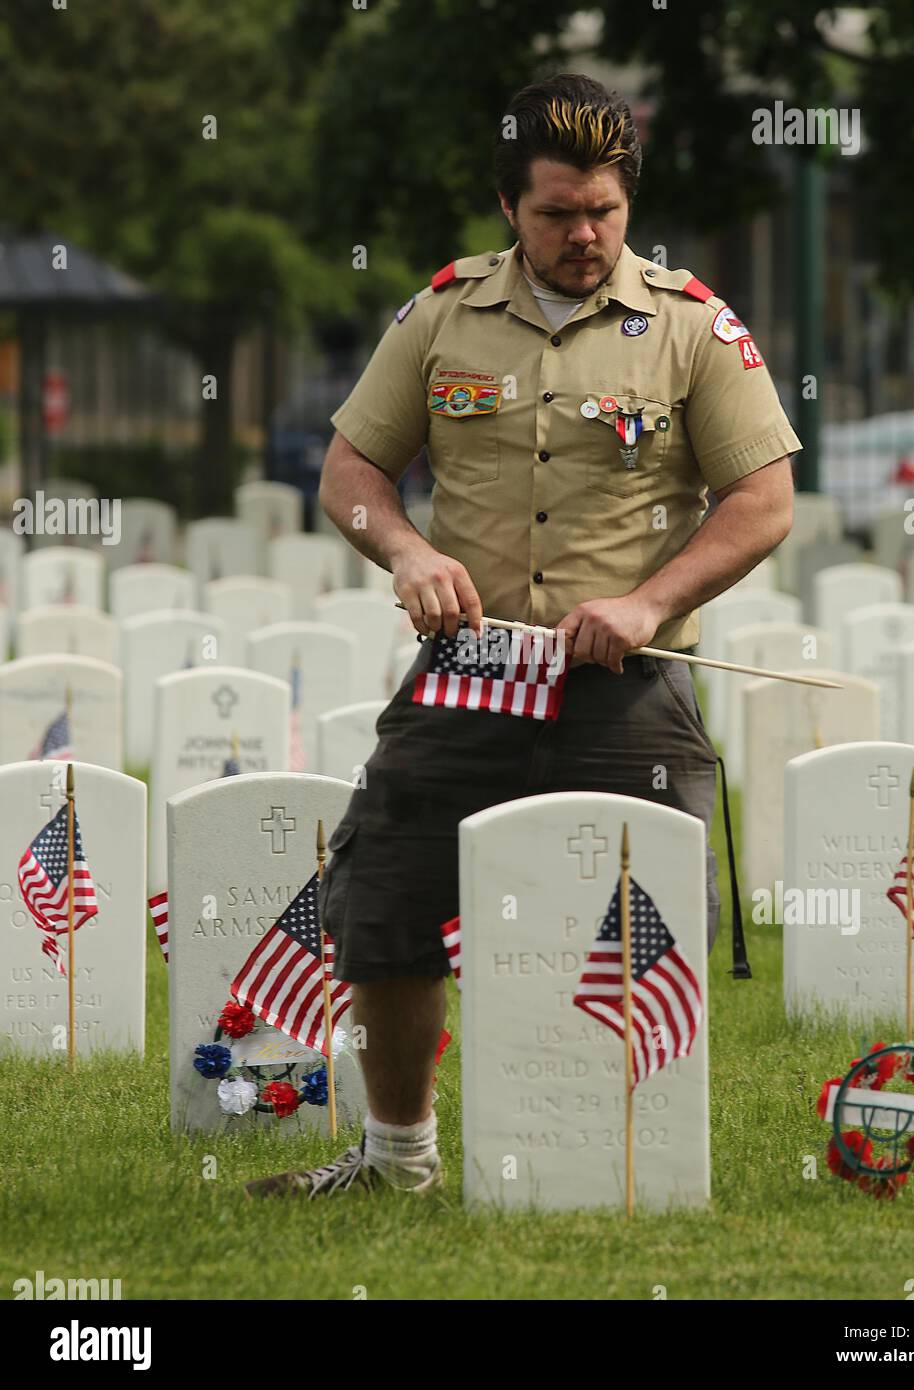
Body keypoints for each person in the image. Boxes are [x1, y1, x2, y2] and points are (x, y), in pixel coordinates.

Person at [245, 72, 800, 1200]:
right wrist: (406, 551)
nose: (584, 234)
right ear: (509, 205)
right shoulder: (442, 314)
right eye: (556, 214)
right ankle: (397, 1159)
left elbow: (763, 498)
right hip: (472, 671)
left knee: (645, 927)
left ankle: (624, 1159)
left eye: (602, 211)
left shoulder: (694, 326)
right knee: (386, 899)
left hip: (625, 680)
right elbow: (351, 474)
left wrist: (647, 603)